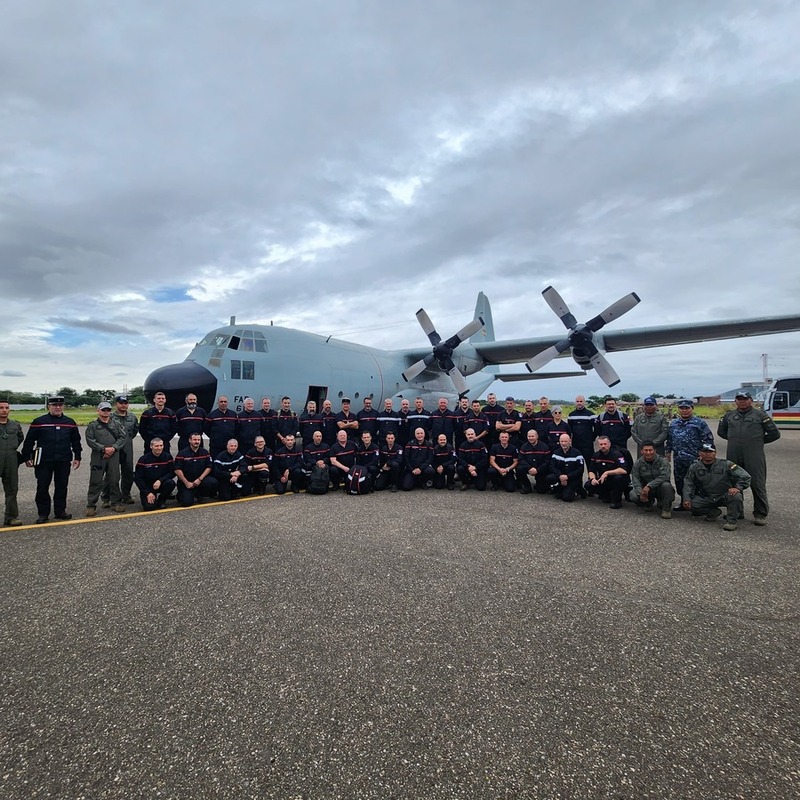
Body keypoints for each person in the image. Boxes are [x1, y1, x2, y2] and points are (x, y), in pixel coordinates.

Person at [717, 390, 780, 526]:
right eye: (739, 399)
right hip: (734, 453)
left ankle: (760, 513)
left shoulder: (760, 415)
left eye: (745, 399)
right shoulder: (729, 416)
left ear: (750, 400)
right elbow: (721, 432)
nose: (742, 401)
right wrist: (736, 440)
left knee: (757, 483)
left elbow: (774, 434)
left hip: (754, 454)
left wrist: (757, 441)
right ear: (736, 401)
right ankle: (736, 512)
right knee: (733, 482)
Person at [21, 396, 82, 523]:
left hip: (63, 460)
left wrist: (77, 456)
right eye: (55, 405)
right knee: (42, 486)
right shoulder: (39, 421)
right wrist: (27, 457)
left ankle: (60, 511)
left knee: (62, 486)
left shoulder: (69, 422)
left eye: (60, 405)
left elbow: (76, 441)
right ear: (49, 406)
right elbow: (29, 441)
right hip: (44, 461)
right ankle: (43, 513)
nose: (58, 407)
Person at [682, 443, 751, 532]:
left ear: (715, 453)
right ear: (700, 453)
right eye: (705, 452)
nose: (708, 454)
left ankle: (731, 522)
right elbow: (688, 483)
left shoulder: (726, 464)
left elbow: (745, 476)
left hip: (724, 495)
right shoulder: (695, 467)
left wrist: (738, 487)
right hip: (707, 497)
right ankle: (712, 512)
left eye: (710, 452)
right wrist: (686, 498)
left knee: (736, 496)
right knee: (690, 505)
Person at [665, 399, 714, 509]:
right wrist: (668, 451)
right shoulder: (674, 423)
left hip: (694, 458)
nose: (684, 410)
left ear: (692, 409)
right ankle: (684, 501)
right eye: (682, 408)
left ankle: (698, 504)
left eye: (687, 408)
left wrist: (705, 454)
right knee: (680, 480)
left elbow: (708, 439)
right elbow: (670, 439)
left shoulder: (699, 423)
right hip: (678, 458)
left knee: (696, 481)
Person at [85, 401, 127, 516]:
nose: (106, 412)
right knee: (96, 480)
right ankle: (91, 505)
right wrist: (103, 449)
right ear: (98, 411)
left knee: (114, 479)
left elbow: (122, 437)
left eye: (108, 410)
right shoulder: (92, 426)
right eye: (103, 410)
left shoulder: (116, 424)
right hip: (98, 456)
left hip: (114, 455)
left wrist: (113, 448)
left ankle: (115, 502)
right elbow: (90, 440)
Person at [105, 394, 139, 505]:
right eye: (121, 403)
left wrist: (126, 440)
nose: (124, 405)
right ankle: (106, 497)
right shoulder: (109, 416)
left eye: (125, 403)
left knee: (128, 472)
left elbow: (134, 431)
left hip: (127, 447)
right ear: (116, 404)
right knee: (111, 473)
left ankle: (126, 495)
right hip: (113, 447)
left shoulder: (132, 417)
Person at [630, 440, 675, 519]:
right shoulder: (638, 463)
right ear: (641, 451)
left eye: (650, 450)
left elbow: (664, 476)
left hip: (660, 488)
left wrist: (649, 486)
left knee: (667, 485)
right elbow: (635, 478)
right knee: (633, 495)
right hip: (646, 491)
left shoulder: (663, 461)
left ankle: (666, 508)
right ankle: (648, 503)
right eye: (645, 450)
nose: (648, 452)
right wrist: (641, 492)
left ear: (655, 450)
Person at [584, 435, 629, 509]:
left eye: (605, 444)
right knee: (588, 485)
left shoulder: (617, 454)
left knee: (619, 478)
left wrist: (607, 472)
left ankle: (616, 501)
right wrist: (592, 479)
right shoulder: (596, 455)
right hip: (603, 480)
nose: (603, 446)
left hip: (615, 480)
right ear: (598, 445)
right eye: (601, 444)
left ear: (609, 444)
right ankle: (606, 495)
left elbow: (623, 470)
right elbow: (591, 470)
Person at [174, 432, 217, 506]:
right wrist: (186, 482)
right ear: (189, 440)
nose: (197, 442)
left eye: (198, 440)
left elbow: (209, 467)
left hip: (199, 481)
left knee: (213, 482)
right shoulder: (182, 453)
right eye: (194, 440)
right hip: (187, 482)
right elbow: (177, 469)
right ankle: (181, 494)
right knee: (186, 503)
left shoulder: (205, 452)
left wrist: (200, 479)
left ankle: (199, 494)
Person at [134, 438, 176, 511]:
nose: (159, 448)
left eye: (161, 445)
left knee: (171, 483)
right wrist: (147, 492)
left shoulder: (168, 457)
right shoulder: (143, 459)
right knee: (149, 508)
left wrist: (160, 480)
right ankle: (151, 498)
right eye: (156, 446)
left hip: (161, 483)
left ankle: (161, 501)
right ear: (151, 446)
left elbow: (172, 473)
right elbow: (138, 478)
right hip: (148, 486)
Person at [0, 399, 24, 526]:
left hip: (10, 459)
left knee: (12, 489)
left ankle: (11, 517)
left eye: (6, 407)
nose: (4, 410)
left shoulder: (15, 425)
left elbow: (20, 438)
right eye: (1, 408)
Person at [546, 433, 584, 502]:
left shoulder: (577, 453)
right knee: (549, 478)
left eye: (565, 441)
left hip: (572, 478)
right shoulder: (556, 453)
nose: (563, 443)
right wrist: (560, 475)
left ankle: (578, 489)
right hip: (561, 477)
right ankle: (560, 489)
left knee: (567, 498)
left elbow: (580, 469)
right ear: (559, 442)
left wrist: (568, 477)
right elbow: (551, 466)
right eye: (562, 441)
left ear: (570, 441)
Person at [139, 391, 177, 455]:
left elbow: (174, 428)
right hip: (150, 443)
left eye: (162, 398)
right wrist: (149, 440)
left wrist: (166, 439)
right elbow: (142, 429)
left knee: (165, 462)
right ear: (154, 400)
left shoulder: (171, 413)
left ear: (165, 400)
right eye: (159, 398)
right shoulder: (147, 413)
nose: (161, 400)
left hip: (164, 443)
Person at [516, 428, 551, 494]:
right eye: (529, 436)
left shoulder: (544, 447)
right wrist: (529, 468)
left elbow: (547, 461)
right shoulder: (524, 447)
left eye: (532, 436)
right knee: (519, 469)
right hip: (529, 468)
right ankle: (527, 486)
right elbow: (521, 459)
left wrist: (537, 470)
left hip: (540, 469)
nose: (531, 438)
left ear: (537, 436)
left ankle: (540, 484)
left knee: (541, 490)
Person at [568, 395, 596, 472]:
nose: (579, 403)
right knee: (576, 465)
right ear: (575, 402)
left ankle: (591, 480)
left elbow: (597, 428)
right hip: (576, 444)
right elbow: (569, 430)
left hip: (587, 445)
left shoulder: (591, 414)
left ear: (584, 402)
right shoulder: (571, 415)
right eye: (577, 401)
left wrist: (592, 438)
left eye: (581, 401)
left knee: (590, 464)